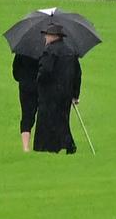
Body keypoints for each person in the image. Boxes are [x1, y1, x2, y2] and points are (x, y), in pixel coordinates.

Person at [33, 23, 82, 154]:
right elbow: (78, 74)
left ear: (54, 36)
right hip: (66, 93)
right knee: (62, 119)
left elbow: (45, 71)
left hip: (50, 93)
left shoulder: (50, 51)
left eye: (47, 35)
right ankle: (64, 145)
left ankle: (48, 146)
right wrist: (75, 94)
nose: (45, 38)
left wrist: (38, 80)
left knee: (47, 120)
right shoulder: (71, 51)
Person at [12, 54, 39, 153]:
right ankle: (42, 144)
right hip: (44, 86)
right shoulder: (48, 49)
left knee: (27, 116)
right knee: (44, 115)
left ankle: (25, 147)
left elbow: (15, 72)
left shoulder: (23, 51)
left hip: (26, 87)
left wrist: (23, 79)